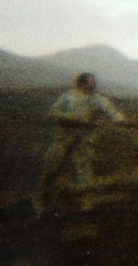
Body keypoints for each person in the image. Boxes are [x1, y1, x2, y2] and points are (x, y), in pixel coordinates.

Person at [35, 72, 126, 212]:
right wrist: (73, 118)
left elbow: (112, 112)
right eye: (91, 82)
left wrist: (121, 120)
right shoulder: (68, 97)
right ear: (81, 83)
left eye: (94, 81)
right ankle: (41, 202)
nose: (94, 84)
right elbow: (53, 112)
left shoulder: (99, 99)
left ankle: (87, 205)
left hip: (83, 140)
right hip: (63, 139)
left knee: (83, 171)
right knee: (52, 168)